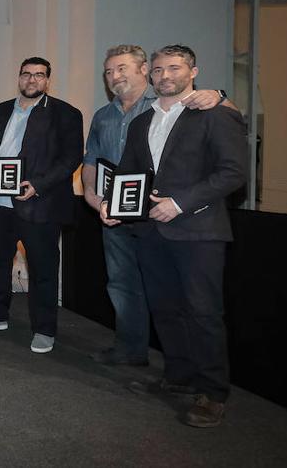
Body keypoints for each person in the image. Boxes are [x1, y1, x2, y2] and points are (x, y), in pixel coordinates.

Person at [101, 45, 247, 428]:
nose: (165, 75)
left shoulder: (214, 114)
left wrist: (179, 203)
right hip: (150, 231)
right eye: (159, 69)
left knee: (203, 312)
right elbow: (130, 173)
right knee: (165, 308)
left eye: (175, 68)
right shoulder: (141, 122)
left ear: (193, 71)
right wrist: (114, 205)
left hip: (199, 232)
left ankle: (213, 393)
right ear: (150, 74)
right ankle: (180, 376)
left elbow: (233, 173)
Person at [82, 45, 227, 366]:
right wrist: (92, 196)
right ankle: (131, 350)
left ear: (144, 70)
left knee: (176, 296)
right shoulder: (103, 116)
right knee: (122, 284)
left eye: (122, 68)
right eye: (109, 71)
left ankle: (194, 375)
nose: (114, 76)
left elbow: (224, 115)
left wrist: (219, 94)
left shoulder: (169, 104)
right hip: (115, 214)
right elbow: (91, 159)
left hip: (161, 217)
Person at [0, 57, 83, 354]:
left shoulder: (65, 114)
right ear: (19, 77)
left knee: (43, 269)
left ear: (47, 80)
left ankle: (44, 329)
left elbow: (71, 158)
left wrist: (39, 184)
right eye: (26, 74)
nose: (32, 80)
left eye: (39, 75)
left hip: (39, 204)